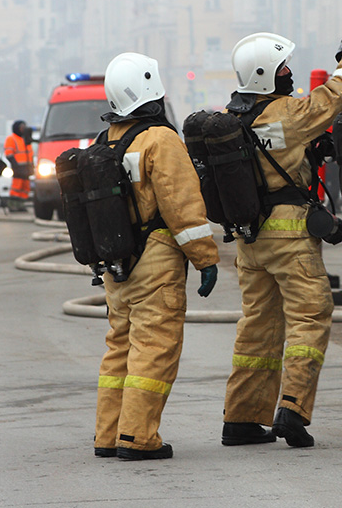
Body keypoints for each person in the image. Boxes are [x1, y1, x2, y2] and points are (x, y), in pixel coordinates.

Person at [220, 18, 342, 448]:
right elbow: (337, 96)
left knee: (258, 326)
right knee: (309, 317)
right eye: (283, 68)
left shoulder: (233, 119)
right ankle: (292, 409)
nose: (289, 73)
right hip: (289, 237)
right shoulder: (285, 113)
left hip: (250, 240)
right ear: (266, 74)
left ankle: (243, 419)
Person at [94, 52, 219, 461]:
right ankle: (138, 437)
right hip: (156, 262)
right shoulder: (160, 140)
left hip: (117, 263)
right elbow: (181, 205)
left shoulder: (105, 141)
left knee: (119, 349)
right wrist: (205, 258)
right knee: (154, 347)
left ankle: (108, 435)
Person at [3, 120, 33, 212]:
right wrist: (15, 165)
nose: (23, 129)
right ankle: (13, 205)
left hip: (27, 168)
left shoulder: (25, 139)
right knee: (17, 187)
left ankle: (21, 205)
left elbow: (29, 154)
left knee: (25, 188)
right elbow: (9, 154)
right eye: (21, 127)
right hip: (18, 168)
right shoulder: (11, 139)